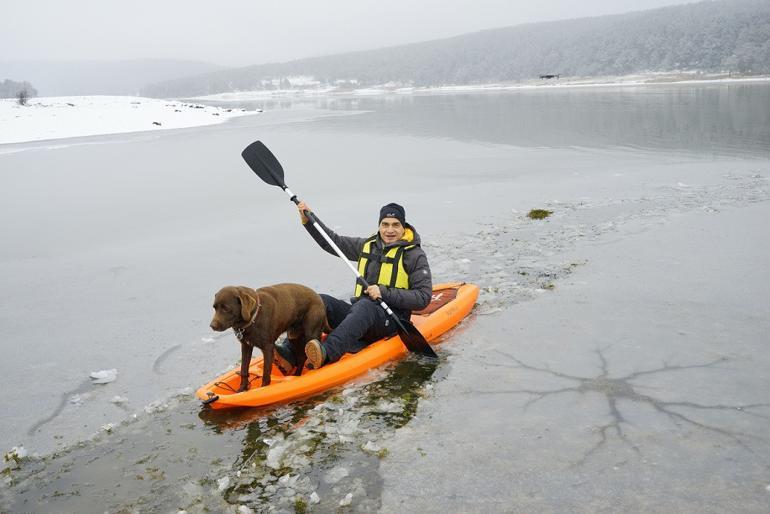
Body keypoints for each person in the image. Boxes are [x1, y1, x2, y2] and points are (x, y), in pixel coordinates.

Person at [275, 201, 432, 371]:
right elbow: (332, 242)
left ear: (403, 228)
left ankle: (326, 352)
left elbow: (423, 297)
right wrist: (309, 221)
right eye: (385, 224)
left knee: (364, 306)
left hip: (391, 321)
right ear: (379, 226)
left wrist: (384, 292)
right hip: (361, 316)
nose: (390, 230)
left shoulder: (415, 255)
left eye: (396, 225)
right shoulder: (367, 246)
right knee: (319, 300)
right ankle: (290, 353)